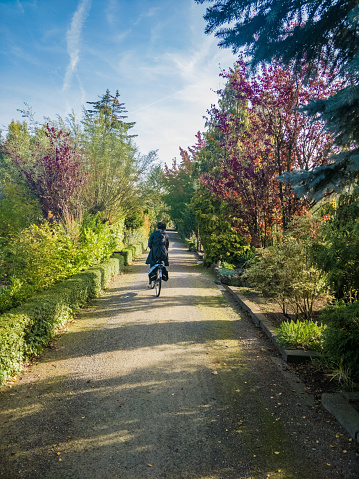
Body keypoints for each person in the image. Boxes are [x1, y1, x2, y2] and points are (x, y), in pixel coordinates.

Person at [146, 222, 169, 286]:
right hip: (163, 251)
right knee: (162, 262)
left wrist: (152, 248)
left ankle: (150, 282)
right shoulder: (166, 235)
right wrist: (165, 250)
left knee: (152, 265)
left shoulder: (153, 234)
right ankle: (162, 271)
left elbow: (149, 243)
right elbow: (167, 245)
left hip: (155, 250)